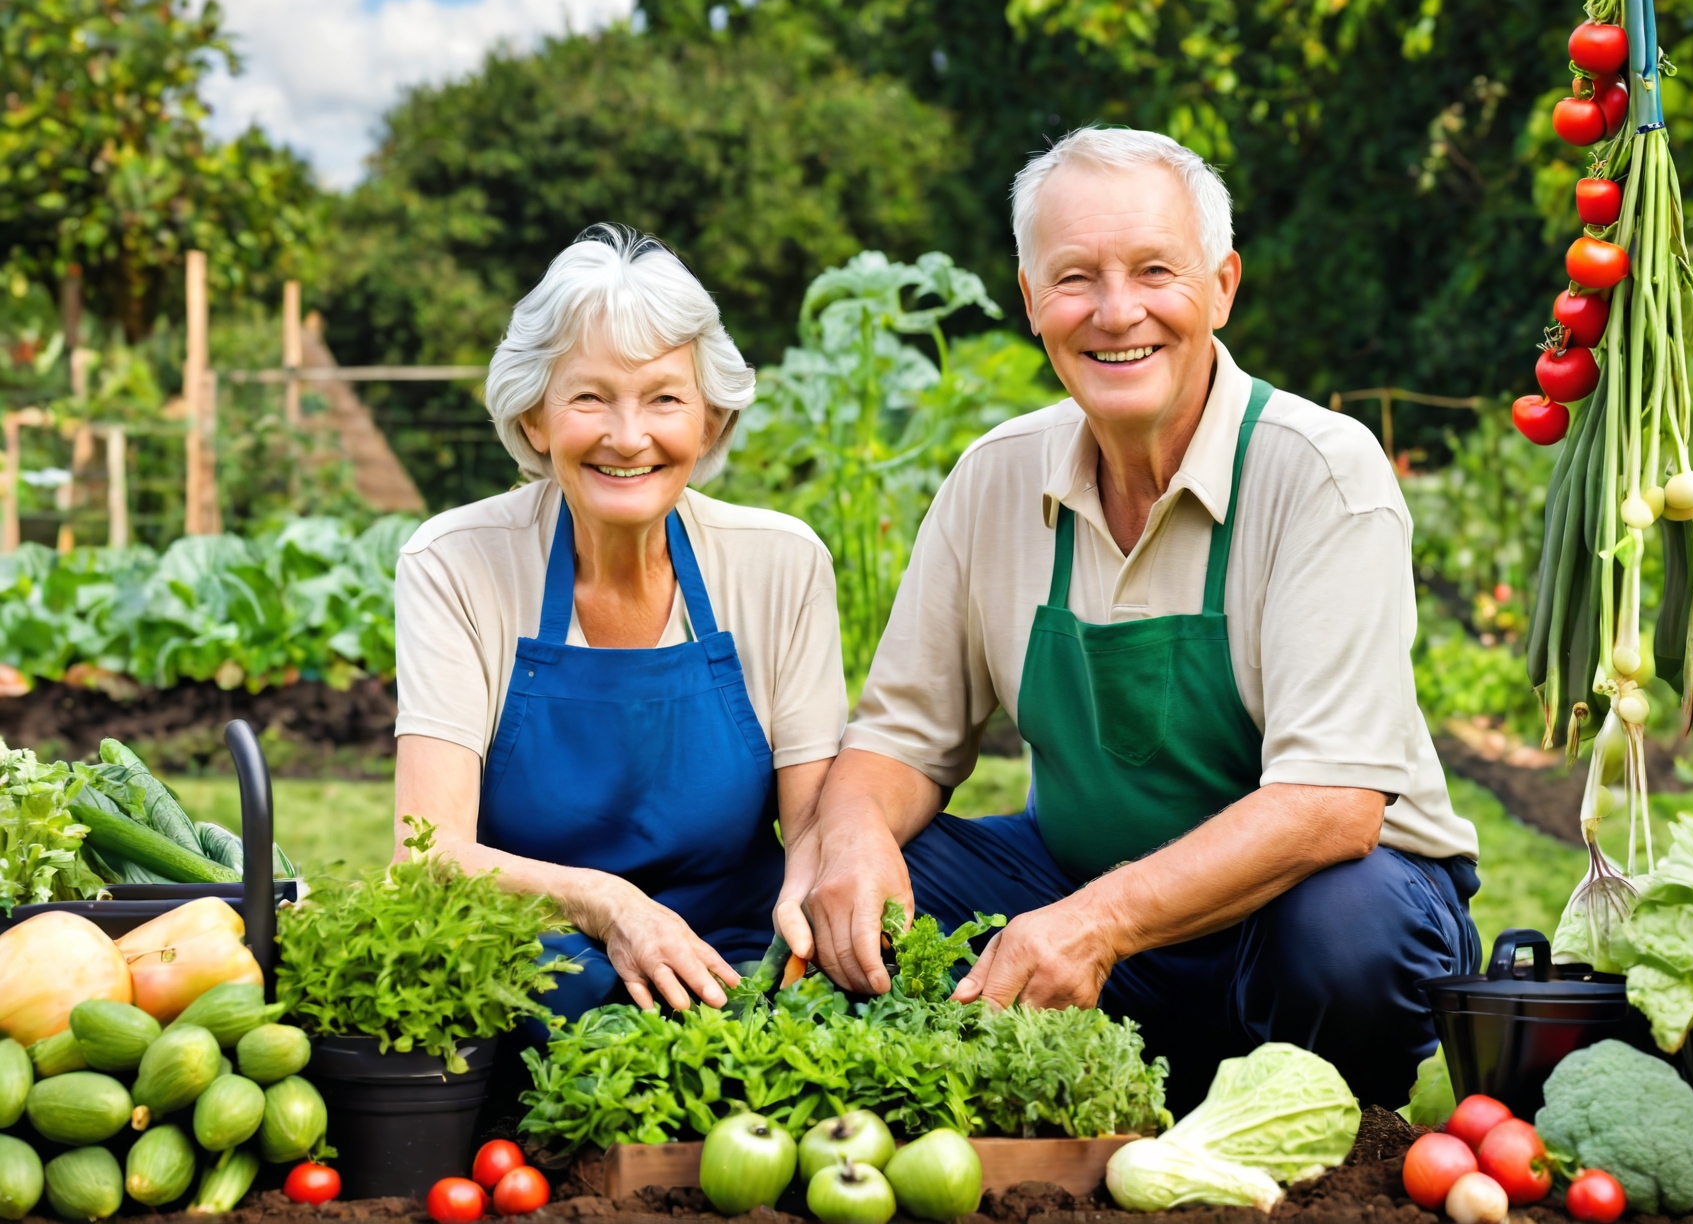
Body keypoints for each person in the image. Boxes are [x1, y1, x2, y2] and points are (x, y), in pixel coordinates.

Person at [781, 127, 1481, 1110]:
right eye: (1074, 278)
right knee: (859, 882)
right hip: (1082, 894)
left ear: (1221, 286)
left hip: (1308, 912)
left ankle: (1318, 1124)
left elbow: (1329, 806)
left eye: (1154, 270)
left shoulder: (1317, 472)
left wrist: (1094, 924)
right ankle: (1056, 1091)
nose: (1116, 312)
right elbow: (899, 738)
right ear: (1030, 301)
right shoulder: (994, 479)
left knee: (1345, 930)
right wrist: (851, 835)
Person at [394, 224, 846, 1022]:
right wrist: (612, 905)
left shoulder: (781, 562)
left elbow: (813, 830)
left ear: (708, 422)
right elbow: (427, 859)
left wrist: (796, 950)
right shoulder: (456, 563)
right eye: (589, 397)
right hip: (540, 956)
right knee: (568, 985)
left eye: (665, 398)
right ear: (535, 419)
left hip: (732, 960)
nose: (628, 436)